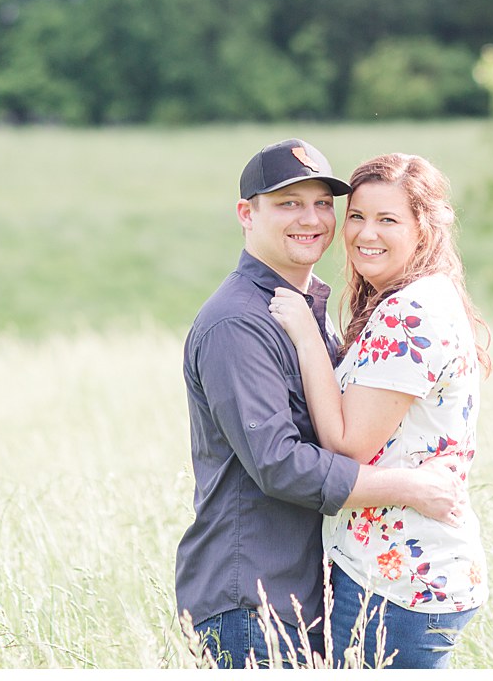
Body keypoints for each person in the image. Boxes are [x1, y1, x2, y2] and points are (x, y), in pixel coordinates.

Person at [175, 138, 467, 669]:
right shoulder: (239, 324)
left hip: (303, 597)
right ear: (246, 213)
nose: (310, 218)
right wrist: (408, 487)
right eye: (288, 203)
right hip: (253, 600)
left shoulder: (306, 311)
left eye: (321, 204)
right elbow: (278, 463)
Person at [269, 152, 491, 669]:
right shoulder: (415, 297)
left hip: (397, 580)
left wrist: (305, 334)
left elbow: (348, 446)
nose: (366, 233)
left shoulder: (410, 310)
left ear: (425, 229)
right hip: (401, 569)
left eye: (388, 219)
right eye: (358, 216)